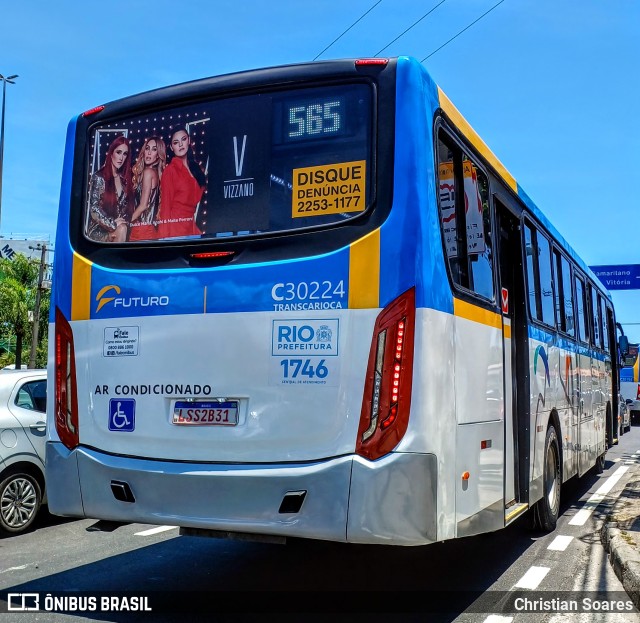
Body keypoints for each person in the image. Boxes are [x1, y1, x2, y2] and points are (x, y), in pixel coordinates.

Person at [157, 125, 206, 238]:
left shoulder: (195, 168)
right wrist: (164, 240)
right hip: (175, 228)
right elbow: (165, 208)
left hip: (191, 226)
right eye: (175, 142)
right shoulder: (170, 171)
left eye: (183, 139)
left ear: (188, 140)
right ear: (171, 147)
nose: (180, 144)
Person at [86, 135, 133, 242]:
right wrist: (112, 223)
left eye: (125, 154)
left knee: (125, 229)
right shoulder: (99, 177)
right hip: (99, 229)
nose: (121, 158)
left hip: (120, 227)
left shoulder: (125, 181)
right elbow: (94, 209)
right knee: (122, 229)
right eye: (118, 152)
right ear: (111, 153)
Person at [129, 136, 166, 241]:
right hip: (148, 229)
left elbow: (143, 205)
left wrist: (127, 222)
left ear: (158, 156)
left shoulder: (148, 173)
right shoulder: (156, 174)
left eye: (154, 149)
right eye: (147, 148)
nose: (149, 152)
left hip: (142, 230)